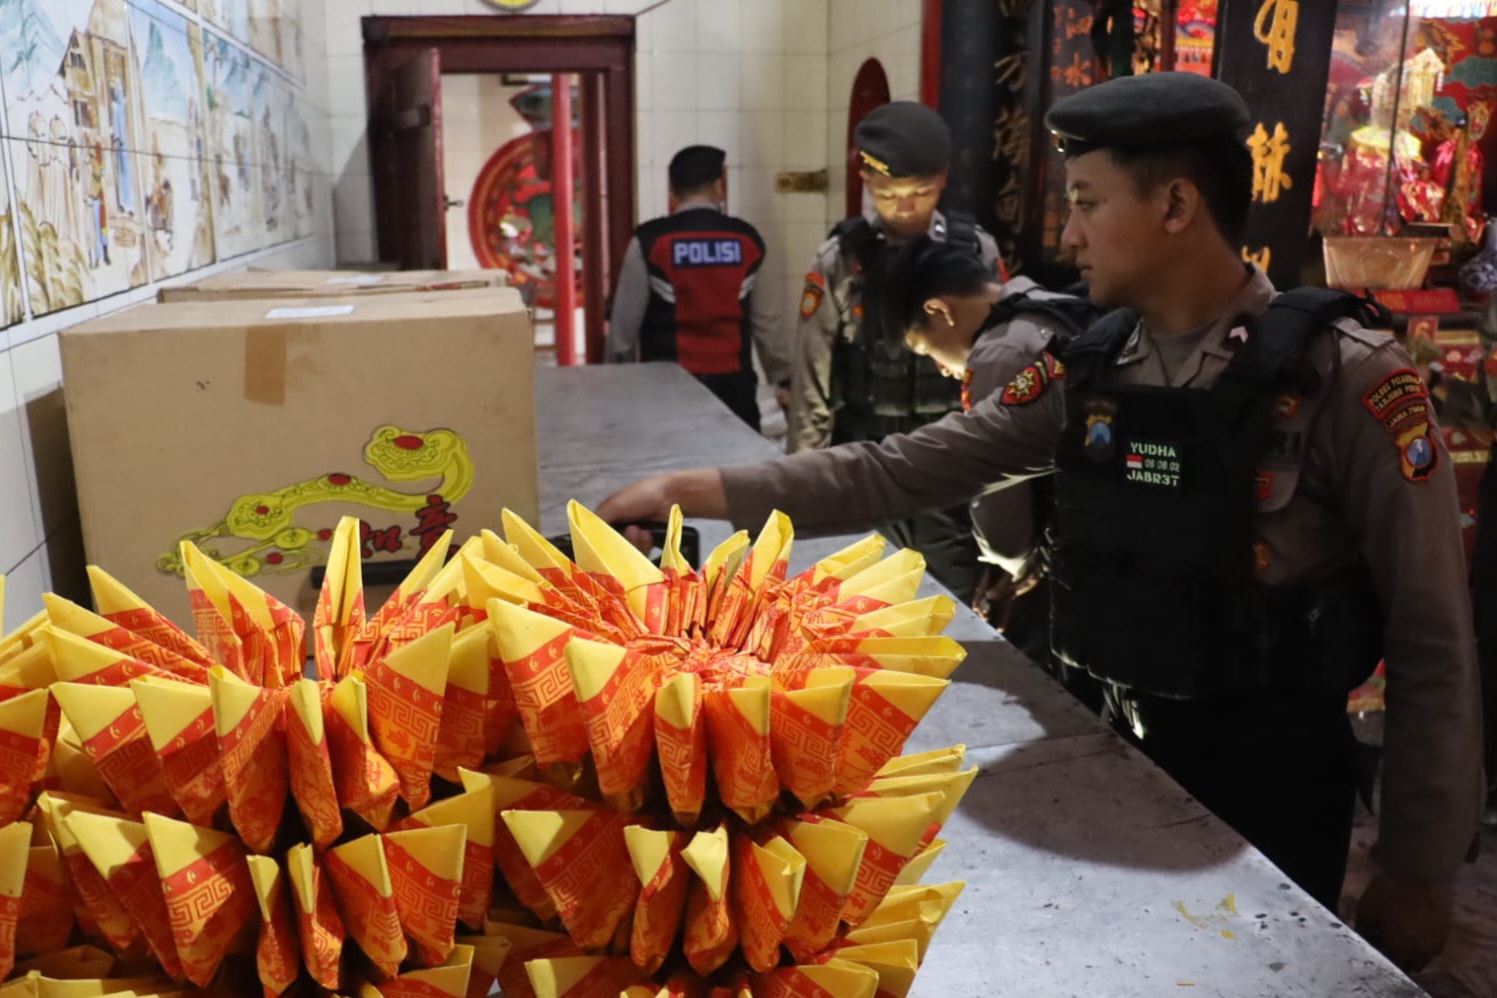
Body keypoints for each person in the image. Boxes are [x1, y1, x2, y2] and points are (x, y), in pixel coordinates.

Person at [599, 73, 1482, 971]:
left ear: (1175, 205)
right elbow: (904, 467)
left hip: (1270, 792)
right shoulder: (1088, 368)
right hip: (1111, 760)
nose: (1067, 235)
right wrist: (690, 489)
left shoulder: (1346, 379)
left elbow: (1431, 639)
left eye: (1088, 203)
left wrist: (1417, 866)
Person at [788, 100, 1003, 603]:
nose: (905, 207)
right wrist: (804, 484)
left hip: (947, 471)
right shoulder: (841, 259)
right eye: (889, 194)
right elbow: (811, 378)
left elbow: (996, 369)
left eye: (921, 193)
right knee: (856, 607)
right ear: (865, 179)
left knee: (949, 607)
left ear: (943, 180)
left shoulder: (976, 252)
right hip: (865, 464)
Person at [876, 234, 1102, 680]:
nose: (942, 369)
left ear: (939, 310)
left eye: (928, 350)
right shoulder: (1042, 301)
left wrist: (1012, 568)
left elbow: (1000, 513)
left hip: (1066, 558)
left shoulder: (999, 354)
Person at [606, 145, 787, 433]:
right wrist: (785, 380)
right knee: (736, 458)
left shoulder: (650, 240)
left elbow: (623, 333)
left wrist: (616, 387)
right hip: (734, 386)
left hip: (665, 387)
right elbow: (769, 325)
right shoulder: (748, 240)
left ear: (672, 190)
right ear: (719, 185)